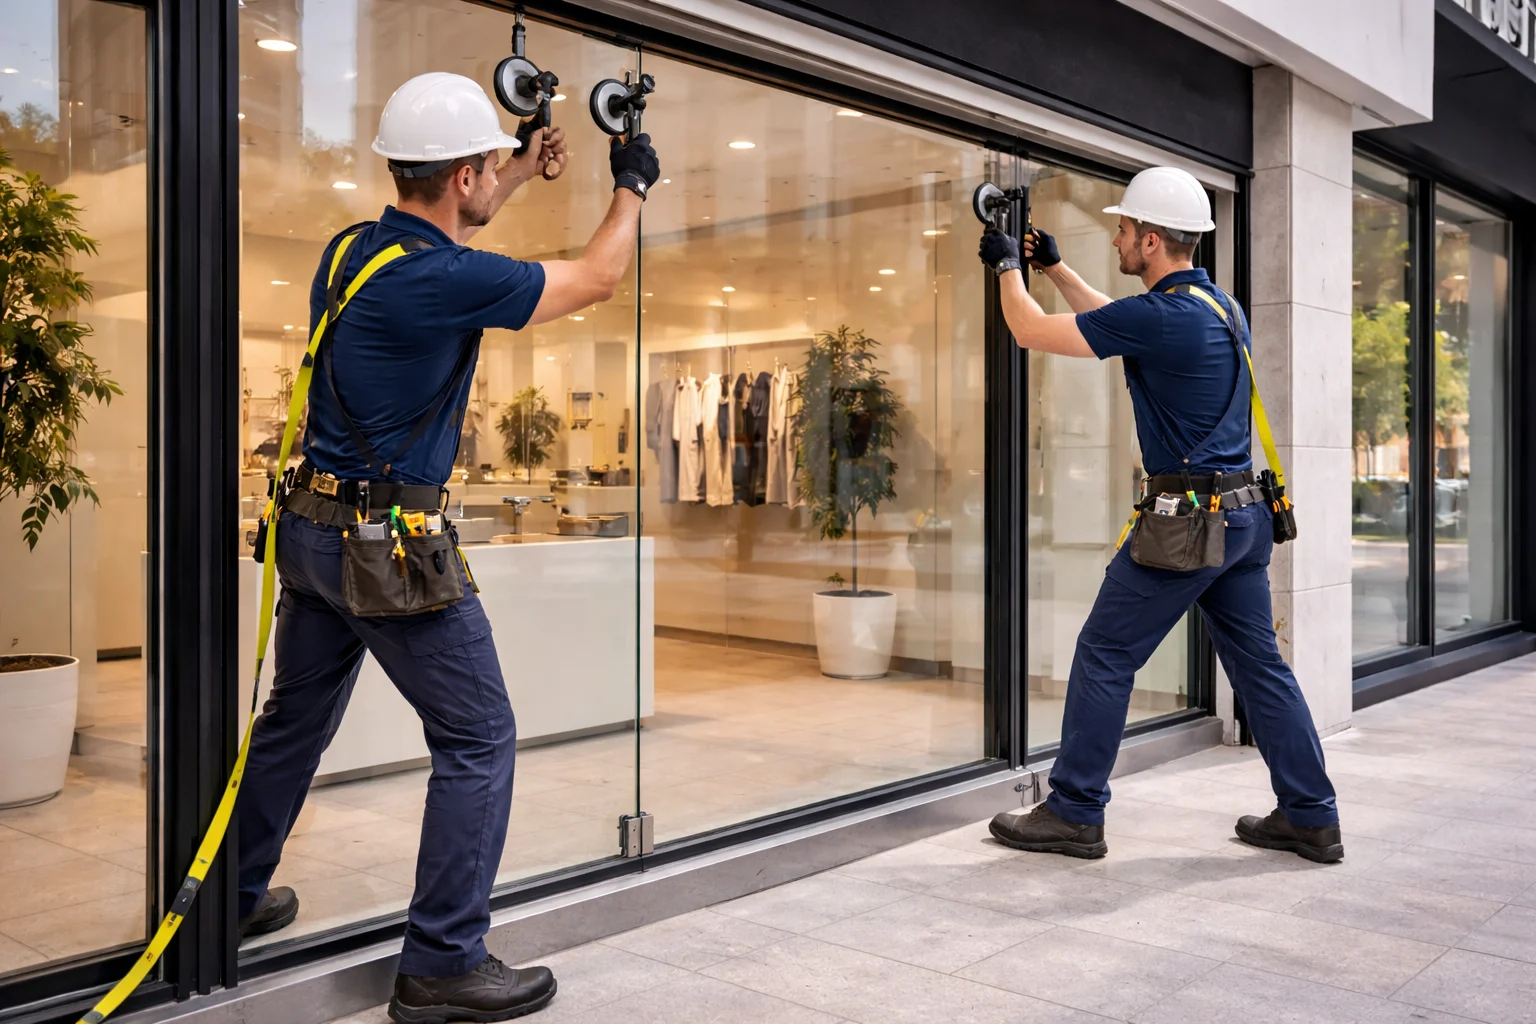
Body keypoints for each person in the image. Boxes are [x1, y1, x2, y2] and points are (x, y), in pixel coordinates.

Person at [233, 71, 660, 1023]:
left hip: (309, 531)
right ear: (460, 174)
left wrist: (507, 168)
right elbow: (597, 278)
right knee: (478, 735)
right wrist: (630, 182)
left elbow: (451, 221)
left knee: (294, 720)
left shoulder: (351, 253)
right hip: (386, 547)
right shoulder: (447, 280)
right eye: (482, 174)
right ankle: (442, 962)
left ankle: (234, 897)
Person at [977, 166, 1343, 865]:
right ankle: (1311, 815)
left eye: (1121, 230)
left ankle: (1075, 809)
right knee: (1261, 668)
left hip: (1187, 526)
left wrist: (1005, 270)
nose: (1116, 239)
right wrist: (1054, 269)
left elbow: (1028, 331)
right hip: (1242, 520)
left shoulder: (1159, 318)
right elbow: (1105, 324)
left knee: (1105, 652)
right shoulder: (1216, 310)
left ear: (1149, 240)